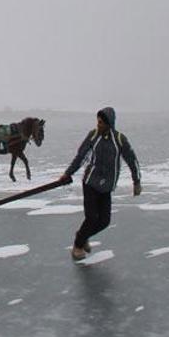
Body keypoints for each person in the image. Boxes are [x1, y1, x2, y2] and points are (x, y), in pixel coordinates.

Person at [59, 107, 141, 260]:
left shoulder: (120, 139)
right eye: (98, 122)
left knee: (104, 221)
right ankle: (78, 245)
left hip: (107, 187)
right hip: (90, 183)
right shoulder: (93, 135)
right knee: (91, 218)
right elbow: (81, 156)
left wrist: (136, 181)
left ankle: (82, 235)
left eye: (102, 123)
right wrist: (68, 173)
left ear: (109, 123)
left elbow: (132, 160)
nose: (99, 125)